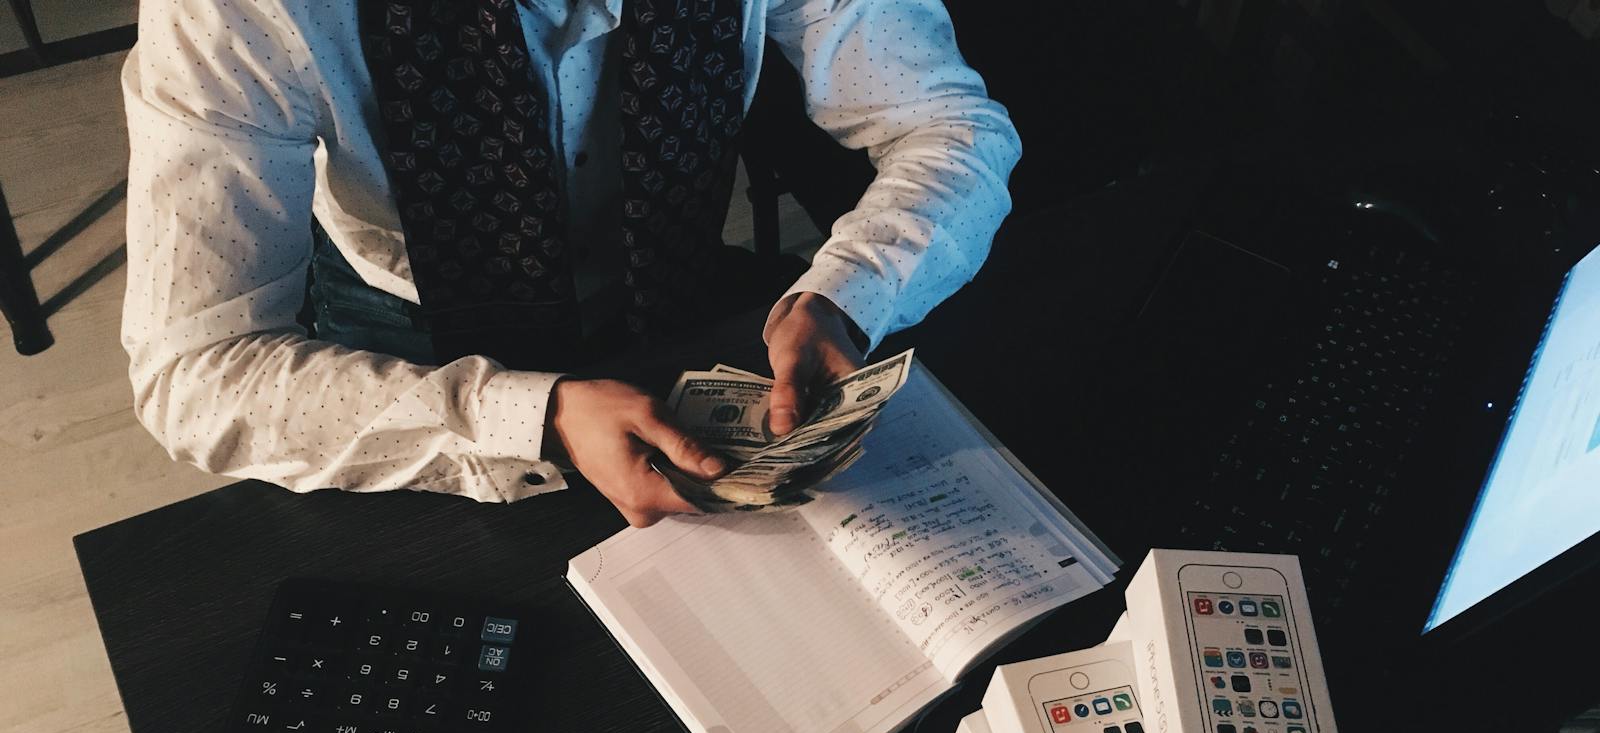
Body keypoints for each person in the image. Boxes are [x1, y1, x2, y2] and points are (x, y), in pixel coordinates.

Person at [121, 0, 1020, 526]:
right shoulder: (243, 10)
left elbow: (951, 127)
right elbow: (192, 372)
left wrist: (850, 292)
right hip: (410, 357)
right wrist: (531, 416)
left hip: (687, 301)